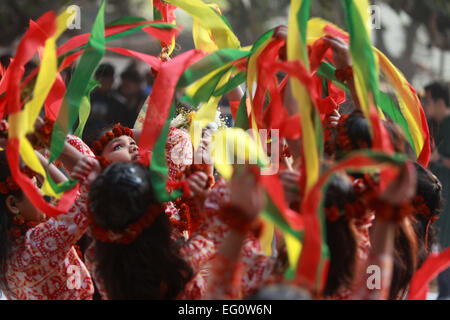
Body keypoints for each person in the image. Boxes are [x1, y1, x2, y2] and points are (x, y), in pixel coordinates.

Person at [423, 82, 450, 299]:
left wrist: (439, 158)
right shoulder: (429, 124)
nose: (426, 104)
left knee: (446, 247)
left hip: (448, 197)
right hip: (432, 195)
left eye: (429, 100)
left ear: (441, 102)